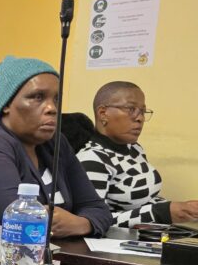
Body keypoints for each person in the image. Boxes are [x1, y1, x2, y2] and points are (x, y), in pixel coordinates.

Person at [0, 56, 112, 237]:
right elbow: (20, 223)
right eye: (37, 97)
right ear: (7, 104)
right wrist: (67, 223)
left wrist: (81, 224)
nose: (52, 108)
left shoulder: (56, 143)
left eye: (56, 99)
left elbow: (98, 209)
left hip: (43, 250)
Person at [77, 81, 198, 226]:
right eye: (131, 109)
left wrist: (184, 209)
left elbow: (144, 201)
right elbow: (93, 221)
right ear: (103, 113)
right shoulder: (92, 159)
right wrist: (162, 213)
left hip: (145, 235)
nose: (140, 118)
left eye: (142, 111)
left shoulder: (134, 148)